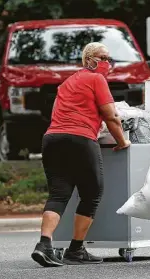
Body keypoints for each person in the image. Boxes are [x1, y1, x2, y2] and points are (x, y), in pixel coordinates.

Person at [31, 42, 131, 267]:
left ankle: (44, 245)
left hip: (52, 139)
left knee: (58, 194)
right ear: (89, 60)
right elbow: (111, 116)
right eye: (102, 58)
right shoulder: (97, 79)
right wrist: (122, 141)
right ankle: (75, 250)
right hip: (80, 138)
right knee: (92, 193)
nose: (107, 62)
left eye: (108, 57)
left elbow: (59, 110)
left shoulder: (68, 82)